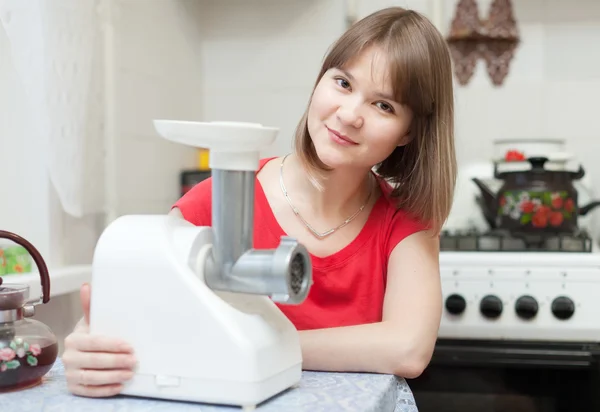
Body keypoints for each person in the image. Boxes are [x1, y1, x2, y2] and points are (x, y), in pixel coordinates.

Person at [62, 6, 456, 398]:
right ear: (320, 82)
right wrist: (92, 348)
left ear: (408, 132)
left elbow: (408, 348)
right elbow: (137, 319)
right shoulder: (215, 202)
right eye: (342, 83)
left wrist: (258, 352)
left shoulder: (407, 220)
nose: (350, 115)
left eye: (383, 105)